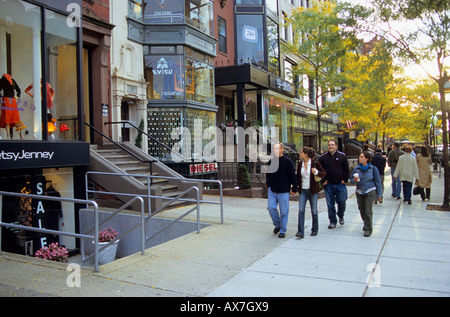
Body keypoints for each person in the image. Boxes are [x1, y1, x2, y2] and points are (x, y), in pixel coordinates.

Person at [266, 143, 297, 238]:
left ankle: (283, 230)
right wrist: (268, 184)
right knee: (271, 208)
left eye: (277, 148)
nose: (275, 150)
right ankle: (277, 225)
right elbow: (268, 174)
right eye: (274, 149)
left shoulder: (288, 162)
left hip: (283, 191)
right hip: (272, 189)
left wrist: (294, 188)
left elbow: (292, 176)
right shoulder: (271, 161)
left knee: (284, 211)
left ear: (282, 149)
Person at [295, 147, 326, 238]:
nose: (300, 154)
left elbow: (323, 173)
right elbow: (298, 177)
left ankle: (315, 229)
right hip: (303, 191)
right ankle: (300, 231)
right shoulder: (300, 164)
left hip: (313, 190)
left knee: (314, 211)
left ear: (306, 154)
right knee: (301, 210)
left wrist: (316, 172)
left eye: (301, 152)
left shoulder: (315, 163)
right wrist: (295, 187)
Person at [350, 152, 383, 237]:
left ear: (366, 159)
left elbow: (377, 181)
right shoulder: (356, 169)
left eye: (361, 157)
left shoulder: (373, 169)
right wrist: (354, 180)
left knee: (368, 210)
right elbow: (351, 180)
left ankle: (368, 229)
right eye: (359, 156)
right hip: (359, 191)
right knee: (362, 210)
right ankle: (366, 223)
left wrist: (379, 194)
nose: (359, 158)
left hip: (370, 190)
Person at [318, 139, 349, 229]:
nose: (330, 146)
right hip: (328, 185)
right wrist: (323, 181)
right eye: (329, 145)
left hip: (340, 184)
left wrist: (345, 180)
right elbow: (319, 171)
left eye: (332, 145)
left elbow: (346, 169)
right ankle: (332, 221)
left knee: (342, 201)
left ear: (336, 146)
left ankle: (341, 215)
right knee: (330, 204)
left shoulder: (342, 156)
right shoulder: (323, 158)